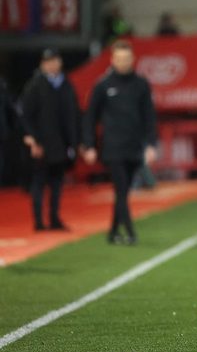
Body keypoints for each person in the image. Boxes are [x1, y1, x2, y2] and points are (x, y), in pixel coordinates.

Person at [82, 40, 157, 245]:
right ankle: (130, 232)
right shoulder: (102, 85)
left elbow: (149, 116)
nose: (123, 62)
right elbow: (90, 117)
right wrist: (88, 145)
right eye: (119, 59)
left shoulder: (141, 84)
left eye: (126, 58)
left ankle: (113, 232)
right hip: (112, 148)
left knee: (122, 192)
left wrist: (151, 144)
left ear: (132, 60)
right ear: (112, 60)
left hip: (134, 147)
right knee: (121, 189)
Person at [20, 49, 80, 230]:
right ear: (42, 65)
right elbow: (25, 115)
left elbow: (73, 115)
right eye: (48, 62)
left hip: (61, 144)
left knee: (57, 184)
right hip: (42, 144)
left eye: (54, 60)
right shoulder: (34, 86)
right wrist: (32, 139)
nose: (52, 65)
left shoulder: (66, 85)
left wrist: (74, 142)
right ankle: (38, 221)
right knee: (39, 183)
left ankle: (54, 218)